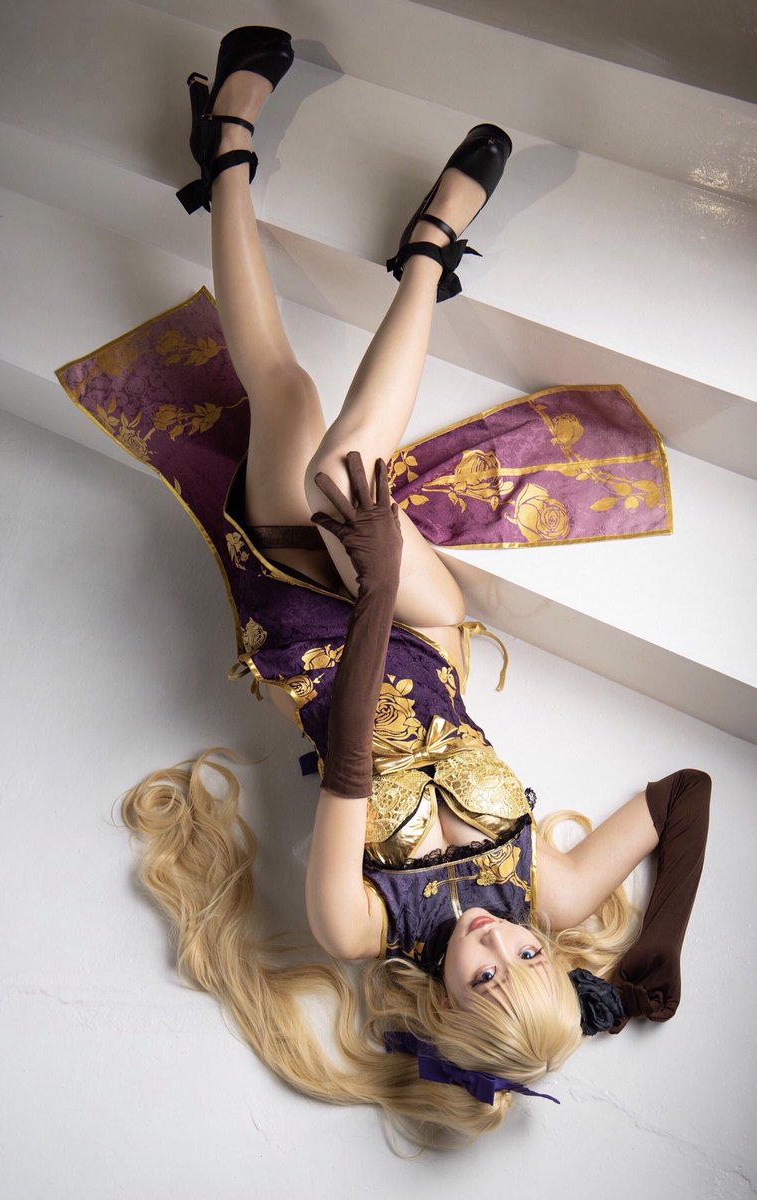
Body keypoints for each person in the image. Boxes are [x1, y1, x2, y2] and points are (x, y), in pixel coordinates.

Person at [116, 26, 711, 1147]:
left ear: (440, 1008)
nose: (498, 943)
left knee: (295, 404)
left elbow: (350, 752)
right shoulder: (550, 897)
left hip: (308, 635)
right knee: (344, 465)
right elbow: (685, 794)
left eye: (486, 976)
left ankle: (236, 158)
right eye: (527, 957)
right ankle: (425, 250)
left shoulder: (356, 927)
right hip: (427, 627)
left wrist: (371, 582)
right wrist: (651, 958)